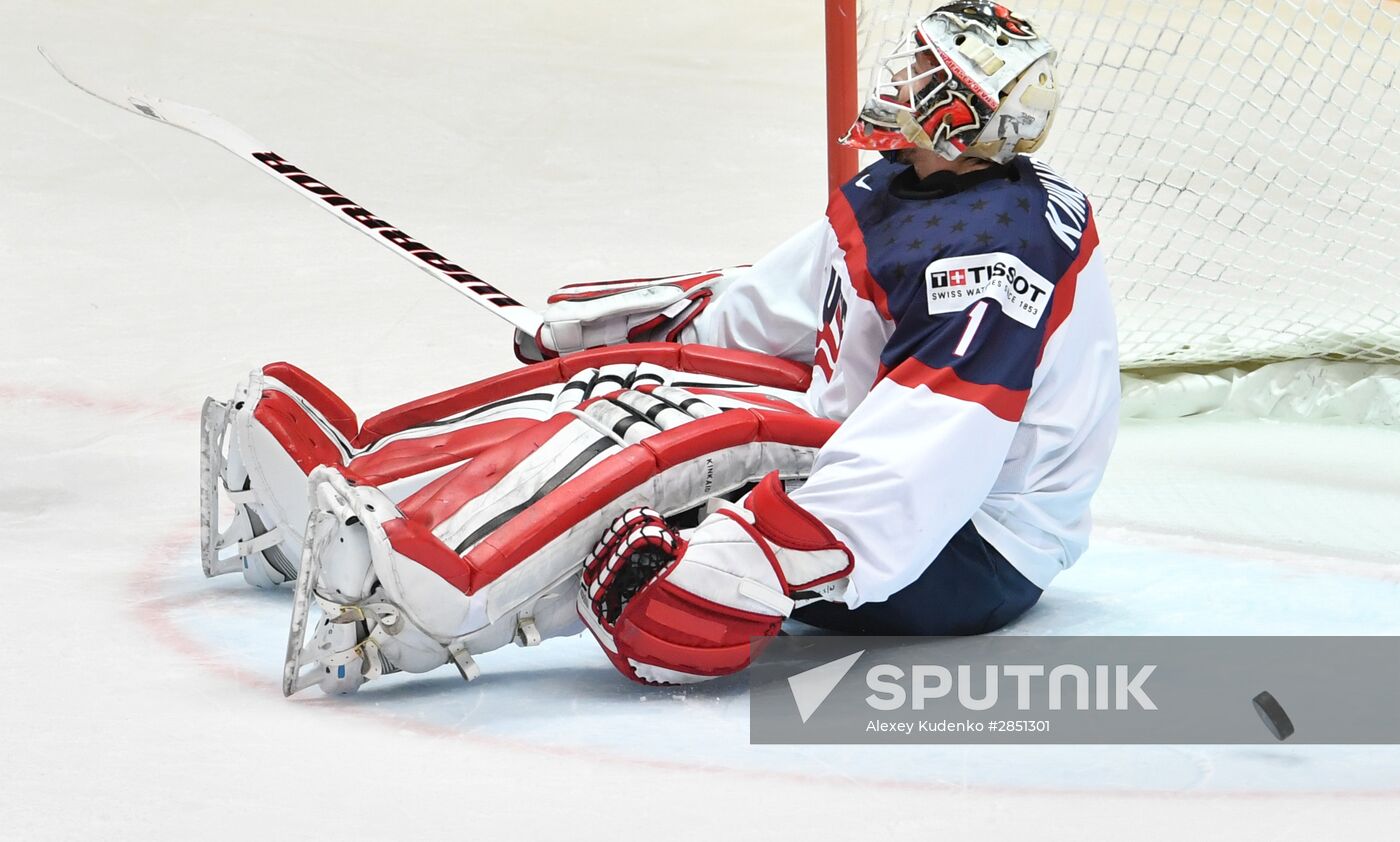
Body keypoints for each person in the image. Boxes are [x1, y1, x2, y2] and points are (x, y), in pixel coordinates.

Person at [215, 0, 1119, 693]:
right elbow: (771, 304)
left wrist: (757, 561)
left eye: (928, 70)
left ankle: (424, 604)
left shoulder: (994, 260)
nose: (902, 75)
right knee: (633, 383)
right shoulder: (908, 188)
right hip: (892, 469)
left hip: (965, 550)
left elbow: (934, 449)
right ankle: (373, 478)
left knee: (681, 442)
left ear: (968, 115)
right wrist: (620, 331)